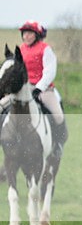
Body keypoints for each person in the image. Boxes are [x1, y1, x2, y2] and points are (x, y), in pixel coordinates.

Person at [1, 20, 68, 157]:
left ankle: (58, 145)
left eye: (30, 33)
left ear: (37, 35)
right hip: (23, 90)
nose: (26, 36)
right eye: (24, 33)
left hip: (43, 90)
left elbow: (50, 72)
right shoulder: (21, 50)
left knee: (58, 115)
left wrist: (39, 88)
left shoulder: (45, 49)